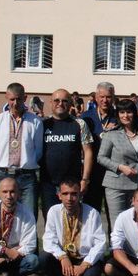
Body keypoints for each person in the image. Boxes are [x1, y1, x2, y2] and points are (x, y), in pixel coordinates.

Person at [39, 179, 107, 276]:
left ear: (80, 195)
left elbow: (100, 244)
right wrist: (62, 257)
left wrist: (85, 264)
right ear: (59, 196)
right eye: (65, 194)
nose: (69, 198)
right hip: (65, 256)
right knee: (44, 258)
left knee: (91, 275)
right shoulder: (54, 211)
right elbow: (49, 240)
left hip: (84, 256)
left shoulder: (92, 213)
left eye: (74, 194)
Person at [0, 83, 43, 220]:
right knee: (3, 217)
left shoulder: (35, 121)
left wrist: (27, 162)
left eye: (19, 99)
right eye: (12, 99)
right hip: (4, 174)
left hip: (26, 176)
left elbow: (38, 150)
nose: (15, 103)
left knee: (29, 217)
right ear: (6, 98)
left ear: (25, 98)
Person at [40, 88, 94, 218]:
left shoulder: (79, 124)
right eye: (56, 100)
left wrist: (85, 179)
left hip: (72, 185)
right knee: (51, 222)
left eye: (64, 101)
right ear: (51, 103)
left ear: (70, 104)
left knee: (75, 222)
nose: (60, 104)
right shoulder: (42, 125)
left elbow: (88, 152)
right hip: (48, 185)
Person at [97, 98, 138, 228]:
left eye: (129, 112)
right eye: (122, 112)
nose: (126, 115)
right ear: (118, 114)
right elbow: (101, 157)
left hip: (137, 184)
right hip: (116, 185)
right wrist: (120, 167)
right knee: (117, 224)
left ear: (134, 113)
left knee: (134, 223)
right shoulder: (111, 134)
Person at [80, 81, 117, 219]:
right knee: (91, 213)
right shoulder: (86, 117)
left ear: (113, 98)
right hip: (92, 171)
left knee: (113, 215)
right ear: (96, 97)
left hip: (112, 171)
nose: (105, 100)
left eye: (108, 97)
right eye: (102, 97)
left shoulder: (119, 116)